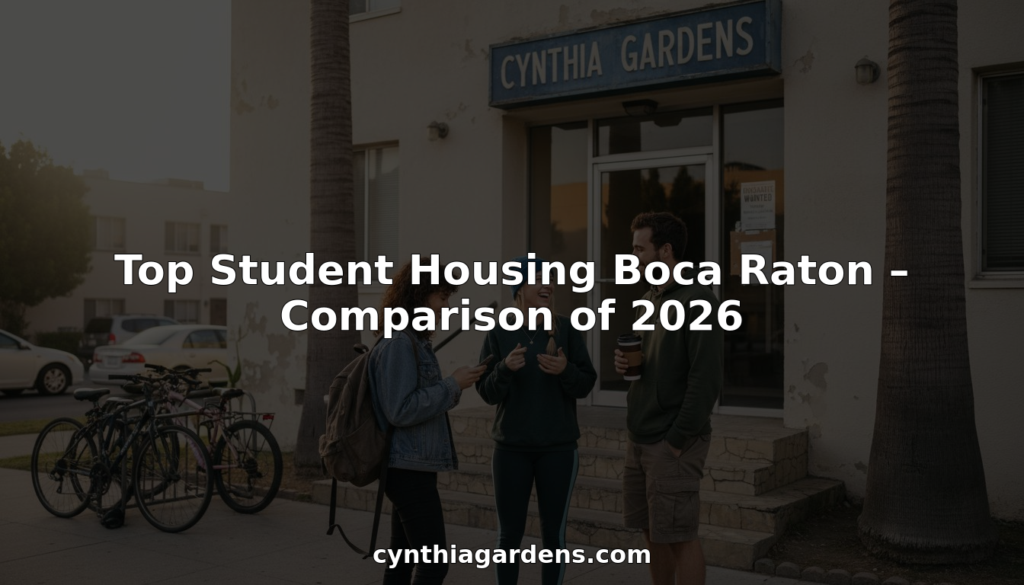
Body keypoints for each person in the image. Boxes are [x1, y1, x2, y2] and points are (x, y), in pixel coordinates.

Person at [613, 213, 723, 585]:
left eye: (639, 248)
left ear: (666, 250)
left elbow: (705, 380)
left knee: (680, 537)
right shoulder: (649, 298)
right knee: (653, 533)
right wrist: (628, 365)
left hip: (671, 441)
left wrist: (678, 439)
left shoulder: (699, 301)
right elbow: (653, 363)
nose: (634, 256)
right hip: (640, 436)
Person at [476, 255, 597, 585]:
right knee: (508, 540)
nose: (548, 285)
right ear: (520, 287)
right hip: (511, 449)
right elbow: (486, 392)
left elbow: (587, 382)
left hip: (558, 449)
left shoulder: (566, 328)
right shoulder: (499, 332)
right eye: (539, 278)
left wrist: (565, 371)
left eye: (550, 279)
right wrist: (504, 369)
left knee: (554, 540)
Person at [369, 262, 489, 585]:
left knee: (402, 561)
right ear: (420, 296)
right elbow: (400, 409)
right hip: (407, 470)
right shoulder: (399, 343)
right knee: (434, 565)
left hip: (413, 466)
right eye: (442, 296)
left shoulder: (414, 341)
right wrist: (452, 384)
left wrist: (457, 384)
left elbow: (419, 399)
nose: (445, 305)